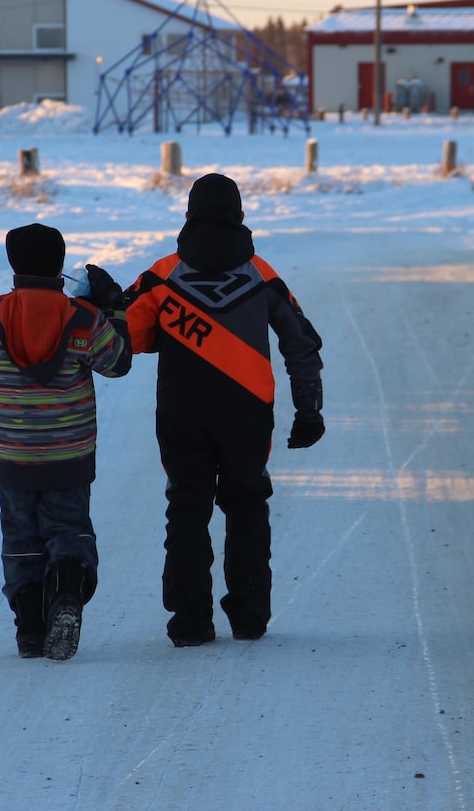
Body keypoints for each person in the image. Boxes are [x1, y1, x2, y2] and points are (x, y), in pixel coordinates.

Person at [124, 173, 324, 647]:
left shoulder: (160, 274)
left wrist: (169, 329)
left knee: (187, 507)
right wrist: (309, 408)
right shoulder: (263, 274)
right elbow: (302, 344)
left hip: (181, 410)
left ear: (188, 215)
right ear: (240, 217)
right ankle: (250, 616)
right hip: (248, 411)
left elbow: (125, 339)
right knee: (248, 505)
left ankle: (191, 622)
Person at [0, 223, 131, 660]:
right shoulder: (82, 318)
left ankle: (30, 629)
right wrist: (113, 310)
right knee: (67, 530)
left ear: (14, 263)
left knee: (20, 539)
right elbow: (118, 363)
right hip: (69, 454)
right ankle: (66, 593)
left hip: (13, 455)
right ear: (59, 263)